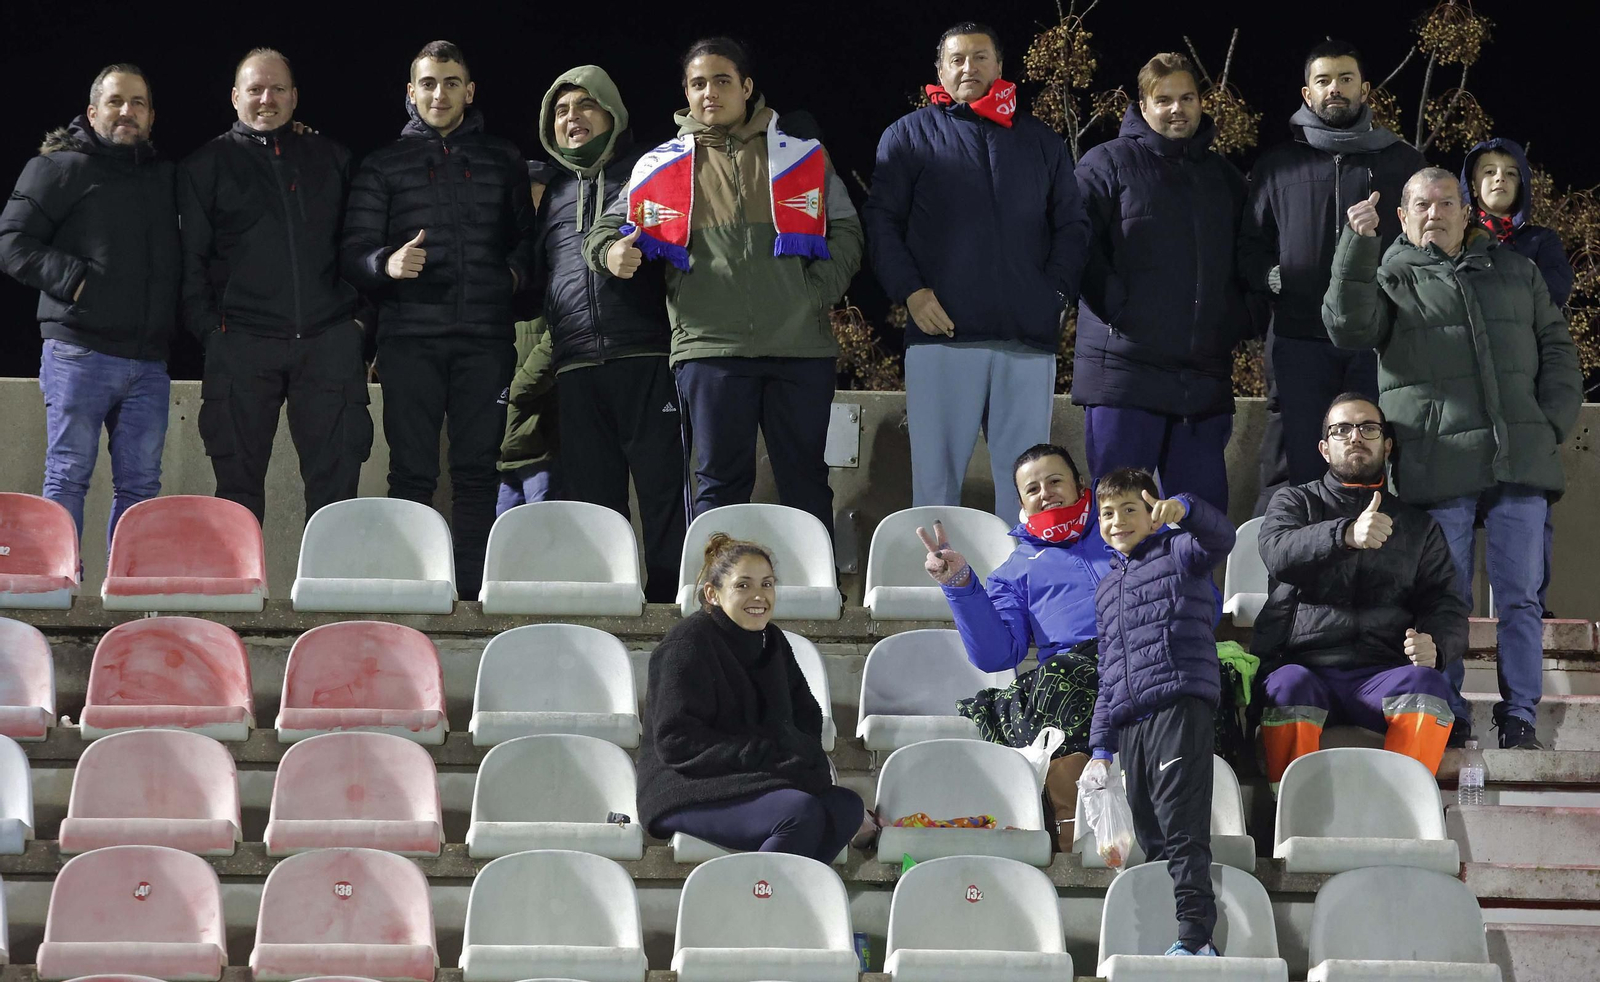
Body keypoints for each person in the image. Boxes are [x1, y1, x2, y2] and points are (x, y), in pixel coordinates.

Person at [1325, 167, 1583, 750]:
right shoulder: (1389, 274)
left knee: (1521, 597)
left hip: (1519, 460)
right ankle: (1450, 709)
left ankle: (1519, 715)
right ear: (1403, 216)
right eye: (1422, 205)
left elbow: (1558, 350)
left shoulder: (1516, 270)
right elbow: (1345, 325)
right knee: (1446, 599)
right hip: (1437, 464)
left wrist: (1549, 424)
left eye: (1446, 203)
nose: (1435, 213)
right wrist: (1354, 247)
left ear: (1466, 212)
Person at [583, 38, 863, 535]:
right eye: (697, 84)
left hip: (799, 348)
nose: (709, 92)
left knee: (805, 483)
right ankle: (713, 602)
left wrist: (814, 294)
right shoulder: (662, 164)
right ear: (686, 94)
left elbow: (845, 228)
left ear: (746, 86)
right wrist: (612, 253)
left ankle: (817, 604)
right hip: (709, 349)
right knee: (717, 485)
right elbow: (603, 233)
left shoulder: (800, 155)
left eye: (721, 80)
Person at [862, 22, 1088, 521]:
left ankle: (1022, 592)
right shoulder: (909, 135)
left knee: (1031, 490)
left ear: (999, 67)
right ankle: (936, 596)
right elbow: (881, 222)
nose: (969, 68)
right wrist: (911, 293)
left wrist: (1052, 295)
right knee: (936, 486)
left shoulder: (1041, 141)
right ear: (940, 70)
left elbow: (1072, 225)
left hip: (1025, 337)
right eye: (957, 59)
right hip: (942, 335)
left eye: (980, 58)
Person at [342, 40, 536, 601]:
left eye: (451, 82)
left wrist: (514, 279)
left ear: (469, 91)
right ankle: (412, 593)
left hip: (485, 342)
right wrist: (387, 262)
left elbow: (528, 243)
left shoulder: (502, 158)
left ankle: (472, 597)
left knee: (477, 475)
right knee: (411, 476)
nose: (439, 93)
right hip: (410, 341)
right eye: (428, 83)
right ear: (411, 92)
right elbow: (353, 251)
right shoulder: (382, 164)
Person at [179, 48, 372, 526]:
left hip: (329, 341)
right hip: (242, 343)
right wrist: (213, 333)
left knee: (336, 491)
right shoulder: (205, 165)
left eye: (278, 89)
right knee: (237, 493)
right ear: (235, 97)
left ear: (294, 96)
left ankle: (329, 598)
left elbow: (362, 246)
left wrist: (360, 325)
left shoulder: (333, 158)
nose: (267, 99)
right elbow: (191, 264)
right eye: (255, 89)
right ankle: (241, 598)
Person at [0, 64, 179, 550]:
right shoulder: (58, 166)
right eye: (117, 101)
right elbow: (12, 243)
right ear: (93, 110)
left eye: (138, 103)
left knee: (141, 488)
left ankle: (125, 596)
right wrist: (76, 282)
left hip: (148, 362)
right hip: (79, 353)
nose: (127, 111)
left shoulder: (163, 178)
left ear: (151, 116)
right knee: (67, 476)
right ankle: (60, 592)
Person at [1238, 39, 1425, 487]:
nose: (1334, 89)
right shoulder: (1277, 166)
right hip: (1298, 340)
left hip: (1377, 341)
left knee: (1372, 465)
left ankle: (1369, 552)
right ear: (1308, 94)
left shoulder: (1403, 161)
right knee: (1297, 466)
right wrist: (1273, 277)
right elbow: (1248, 246)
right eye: (1323, 81)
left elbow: (1427, 248)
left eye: (1345, 79)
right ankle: (1292, 553)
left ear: (1365, 90)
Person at [1254, 394, 1468, 783]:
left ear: (1386, 445)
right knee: (1287, 685)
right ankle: (1286, 813)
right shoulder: (1294, 501)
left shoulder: (1418, 526)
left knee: (1427, 685)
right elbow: (1277, 552)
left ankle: (1405, 810)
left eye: (1368, 428)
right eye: (1342, 429)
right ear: (1324, 448)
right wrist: (1345, 534)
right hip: (1306, 666)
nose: (1355, 437)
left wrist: (1435, 645)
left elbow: (1446, 601)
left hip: (1383, 674)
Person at [1072, 53, 1249, 513]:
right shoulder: (1107, 162)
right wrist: (1118, 306)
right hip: (1125, 374)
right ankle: (1115, 592)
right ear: (1143, 105)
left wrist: (1237, 319)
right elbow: (1075, 241)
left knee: (1202, 526)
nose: (1177, 109)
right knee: (1119, 523)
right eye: (1164, 99)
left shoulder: (1225, 179)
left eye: (1186, 97)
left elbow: (1250, 259)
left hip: (1202, 379)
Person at [534, 66, 685, 600]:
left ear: (611, 111)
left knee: (665, 493)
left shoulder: (648, 169)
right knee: (594, 501)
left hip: (647, 355)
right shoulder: (550, 192)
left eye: (584, 106)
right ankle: (608, 601)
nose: (572, 118)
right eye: (561, 111)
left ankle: (671, 605)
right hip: (575, 367)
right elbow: (541, 279)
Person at [917, 442, 1113, 848]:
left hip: (1143, 656)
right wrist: (961, 587)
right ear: (1022, 500)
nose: (1046, 493)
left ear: (1079, 484)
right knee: (1056, 681)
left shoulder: (1124, 525)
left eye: (1055, 481)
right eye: (1033, 488)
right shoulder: (1014, 572)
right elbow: (996, 654)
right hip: (1078, 674)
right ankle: (1073, 826)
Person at [1080, 467, 1234, 957]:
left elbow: (1222, 536)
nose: (1118, 520)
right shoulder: (1106, 588)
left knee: (1181, 824)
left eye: (1131, 509)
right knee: (1150, 831)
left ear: (1152, 513)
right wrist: (1100, 746)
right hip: (1131, 726)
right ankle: (1175, 936)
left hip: (1179, 708)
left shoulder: (1180, 551)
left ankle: (1196, 940)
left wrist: (1184, 508)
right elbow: (1109, 670)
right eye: (1107, 513)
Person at [637, 533, 863, 861]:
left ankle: (781, 904)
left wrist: (797, 762)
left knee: (845, 807)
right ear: (712, 594)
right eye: (743, 585)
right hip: (686, 784)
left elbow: (806, 719)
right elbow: (677, 742)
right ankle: (753, 907)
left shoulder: (773, 642)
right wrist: (768, 757)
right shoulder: (686, 646)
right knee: (798, 813)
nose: (759, 596)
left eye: (767, 584)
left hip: (752, 777)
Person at [1461, 138, 1576, 619]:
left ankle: (1532, 606)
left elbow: (1553, 297)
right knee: (1458, 515)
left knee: (1530, 511)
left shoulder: (1540, 243)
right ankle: (1447, 611)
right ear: (1471, 183)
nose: (1499, 180)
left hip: (1523, 395)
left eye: (1509, 172)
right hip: (1466, 398)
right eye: (1488, 171)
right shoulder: (1454, 236)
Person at [495, 316, 559, 515]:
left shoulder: (543, 292)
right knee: (504, 534)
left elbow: (555, 337)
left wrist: (517, 388)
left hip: (537, 439)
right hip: (504, 451)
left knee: (543, 528)